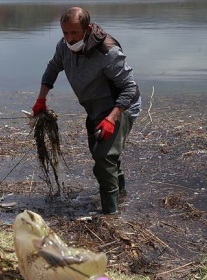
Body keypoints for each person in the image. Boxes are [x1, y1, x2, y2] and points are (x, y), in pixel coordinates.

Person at [32, 7, 141, 215]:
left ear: (88, 28)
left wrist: (111, 119)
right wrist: (41, 99)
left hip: (121, 106)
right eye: (65, 33)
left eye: (74, 33)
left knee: (103, 158)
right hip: (95, 109)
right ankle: (121, 192)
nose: (70, 38)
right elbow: (52, 68)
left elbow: (129, 88)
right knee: (102, 154)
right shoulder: (64, 47)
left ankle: (111, 213)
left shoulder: (107, 52)